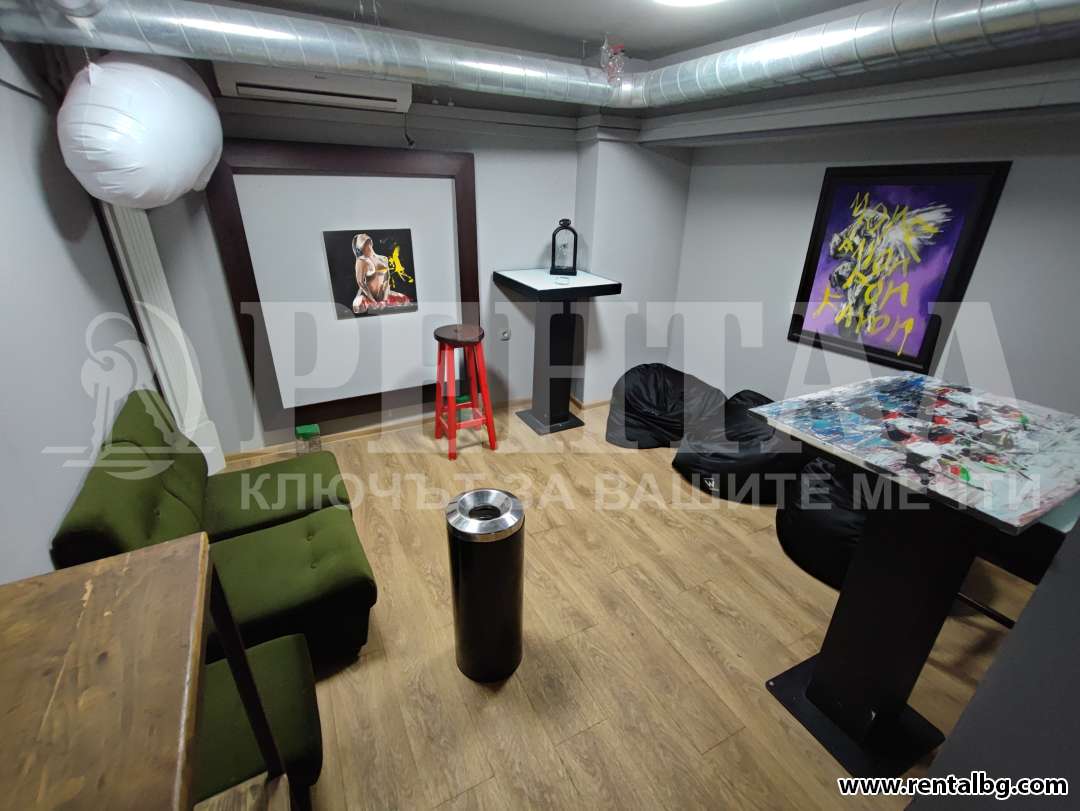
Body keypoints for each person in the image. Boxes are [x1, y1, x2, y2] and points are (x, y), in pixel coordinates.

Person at [351, 233, 412, 314]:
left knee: (406, 300)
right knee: (358, 307)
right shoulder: (361, 261)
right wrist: (372, 300)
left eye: (367, 240)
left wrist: (384, 300)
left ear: (370, 242)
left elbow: (387, 280)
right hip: (367, 295)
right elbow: (360, 282)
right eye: (364, 243)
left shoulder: (384, 259)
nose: (364, 236)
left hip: (382, 295)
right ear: (359, 247)